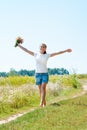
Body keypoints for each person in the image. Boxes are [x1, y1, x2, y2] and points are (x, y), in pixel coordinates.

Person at [17, 41, 72, 107]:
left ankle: (40, 103)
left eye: (43, 47)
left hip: (44, 74)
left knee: (43, 88)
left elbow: (57, 53)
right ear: (39, 48)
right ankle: (44, 102)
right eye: (41, 46)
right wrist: (18, 45)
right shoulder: (35, 54)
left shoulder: (47, 55)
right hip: (37, 74)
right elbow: (26, 50)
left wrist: (66, 50)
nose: (42, 48)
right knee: (40, 90)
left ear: (45, 48)